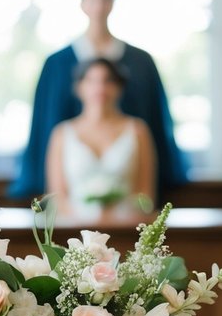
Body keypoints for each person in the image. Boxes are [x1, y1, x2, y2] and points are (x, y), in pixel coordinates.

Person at [9, 0, 188, 202]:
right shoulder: (57, 65)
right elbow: (44, 125)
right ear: (82, 5)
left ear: (112, 4)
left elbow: (156, 122)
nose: (99, 6)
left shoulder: (141, 63)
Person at [45, 57, 156, 220]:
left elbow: (146, 194)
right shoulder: (61, 133)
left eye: (108, 81)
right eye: (91, 81)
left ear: (119, 87)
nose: (100, 88)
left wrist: (121, 217)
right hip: (74, 228)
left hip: (126, 225)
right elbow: (57, 196)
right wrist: (87, 220)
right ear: (79, 87)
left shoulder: (138, 130)